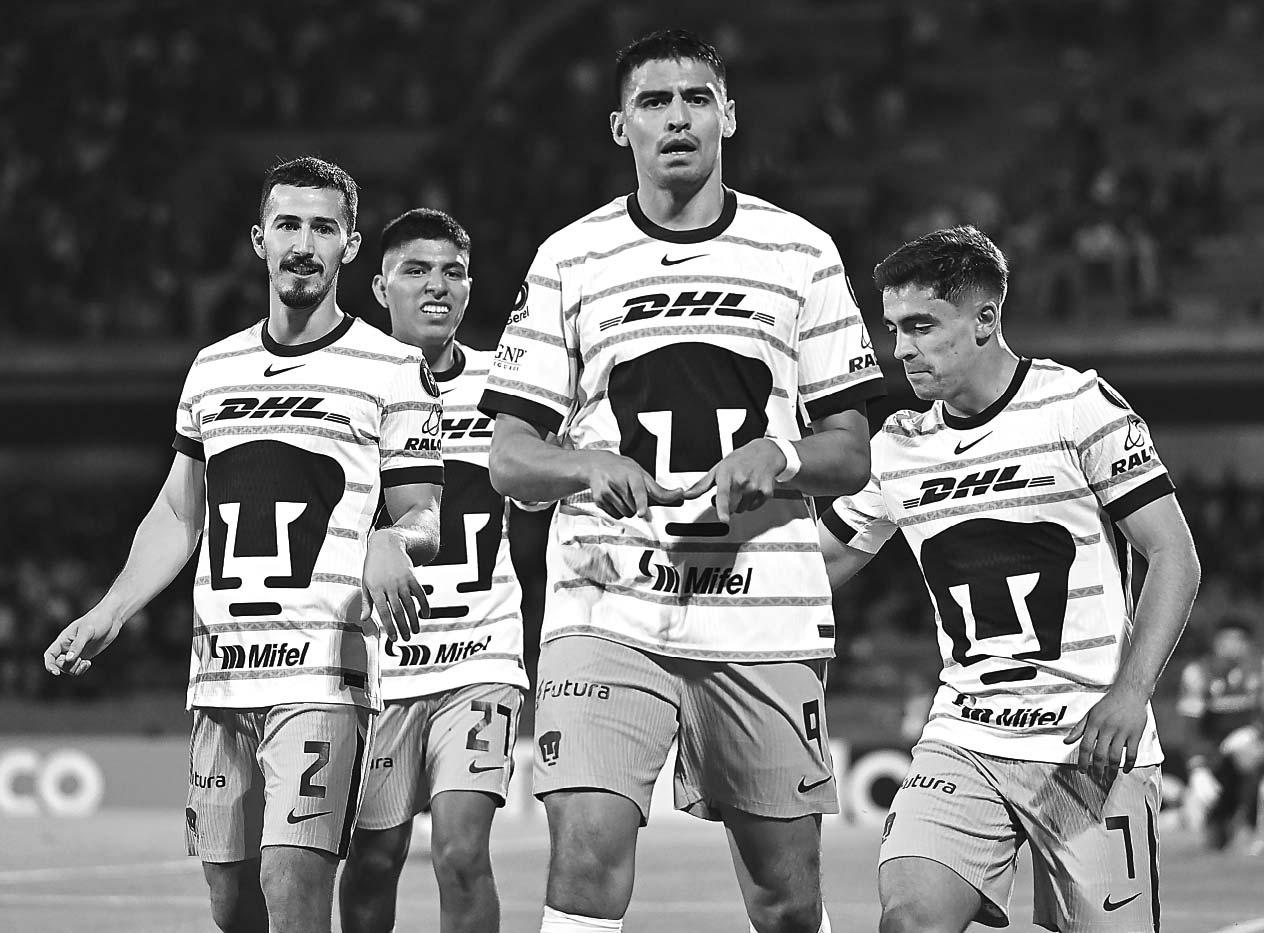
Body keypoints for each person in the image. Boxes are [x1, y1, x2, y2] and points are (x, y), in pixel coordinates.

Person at [479, 29, 884, 933]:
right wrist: (587, 463)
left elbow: (852, 450)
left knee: (786, 899)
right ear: (619, 126)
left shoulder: (800, 252)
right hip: (608, 605)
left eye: (697, 98)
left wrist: (779, 456)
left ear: (728, 116)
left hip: (761, 612)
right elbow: (509, 457)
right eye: (653, 102)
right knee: (584, 856)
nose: (677, 118)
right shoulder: (569, 258)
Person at [42, 157, 445, 933]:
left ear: (350, 245)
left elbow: (423, 512)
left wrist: (395, 538)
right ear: (260, 239)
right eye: (287, 224)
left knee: (292, 885)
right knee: (232, 903)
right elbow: (178, 511)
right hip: (221, 674)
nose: (303, 243)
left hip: (323, 673)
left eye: (323, 228)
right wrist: (111, 608)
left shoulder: (394, 369)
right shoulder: (213, 368)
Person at [817, 225, 1201, 933]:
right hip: (964, 739)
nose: (901, 349)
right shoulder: (898, 446)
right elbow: (818, 568)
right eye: (893, 328)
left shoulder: (1078, 407)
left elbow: (1174, 555)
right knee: (910, 920)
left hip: (1089, 744)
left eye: (922, 326)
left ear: (985, 319)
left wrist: (1131, 693)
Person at [339, 208, 529, 933]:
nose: (436, 286)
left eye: (452, 272)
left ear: (470, 287)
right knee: (374, 858)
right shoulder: (343, 386)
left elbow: (544, 485)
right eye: (415, 270)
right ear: (380, 286)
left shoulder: (507, 387)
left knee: (460, 851)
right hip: (380, 665)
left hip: (481, 655)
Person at [1178, 617, 1264, 851]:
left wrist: (1254, 732)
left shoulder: (1259, 671)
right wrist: (1197, 768)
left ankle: (1249, 827)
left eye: (1238, 640)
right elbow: (1191, 727)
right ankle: (1220, 822)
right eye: (1226, 640)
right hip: (1213, 757)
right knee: (1207, 835)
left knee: (1247, 755)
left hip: (1250, 749)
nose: (1231, 646)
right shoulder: (1198, 673)